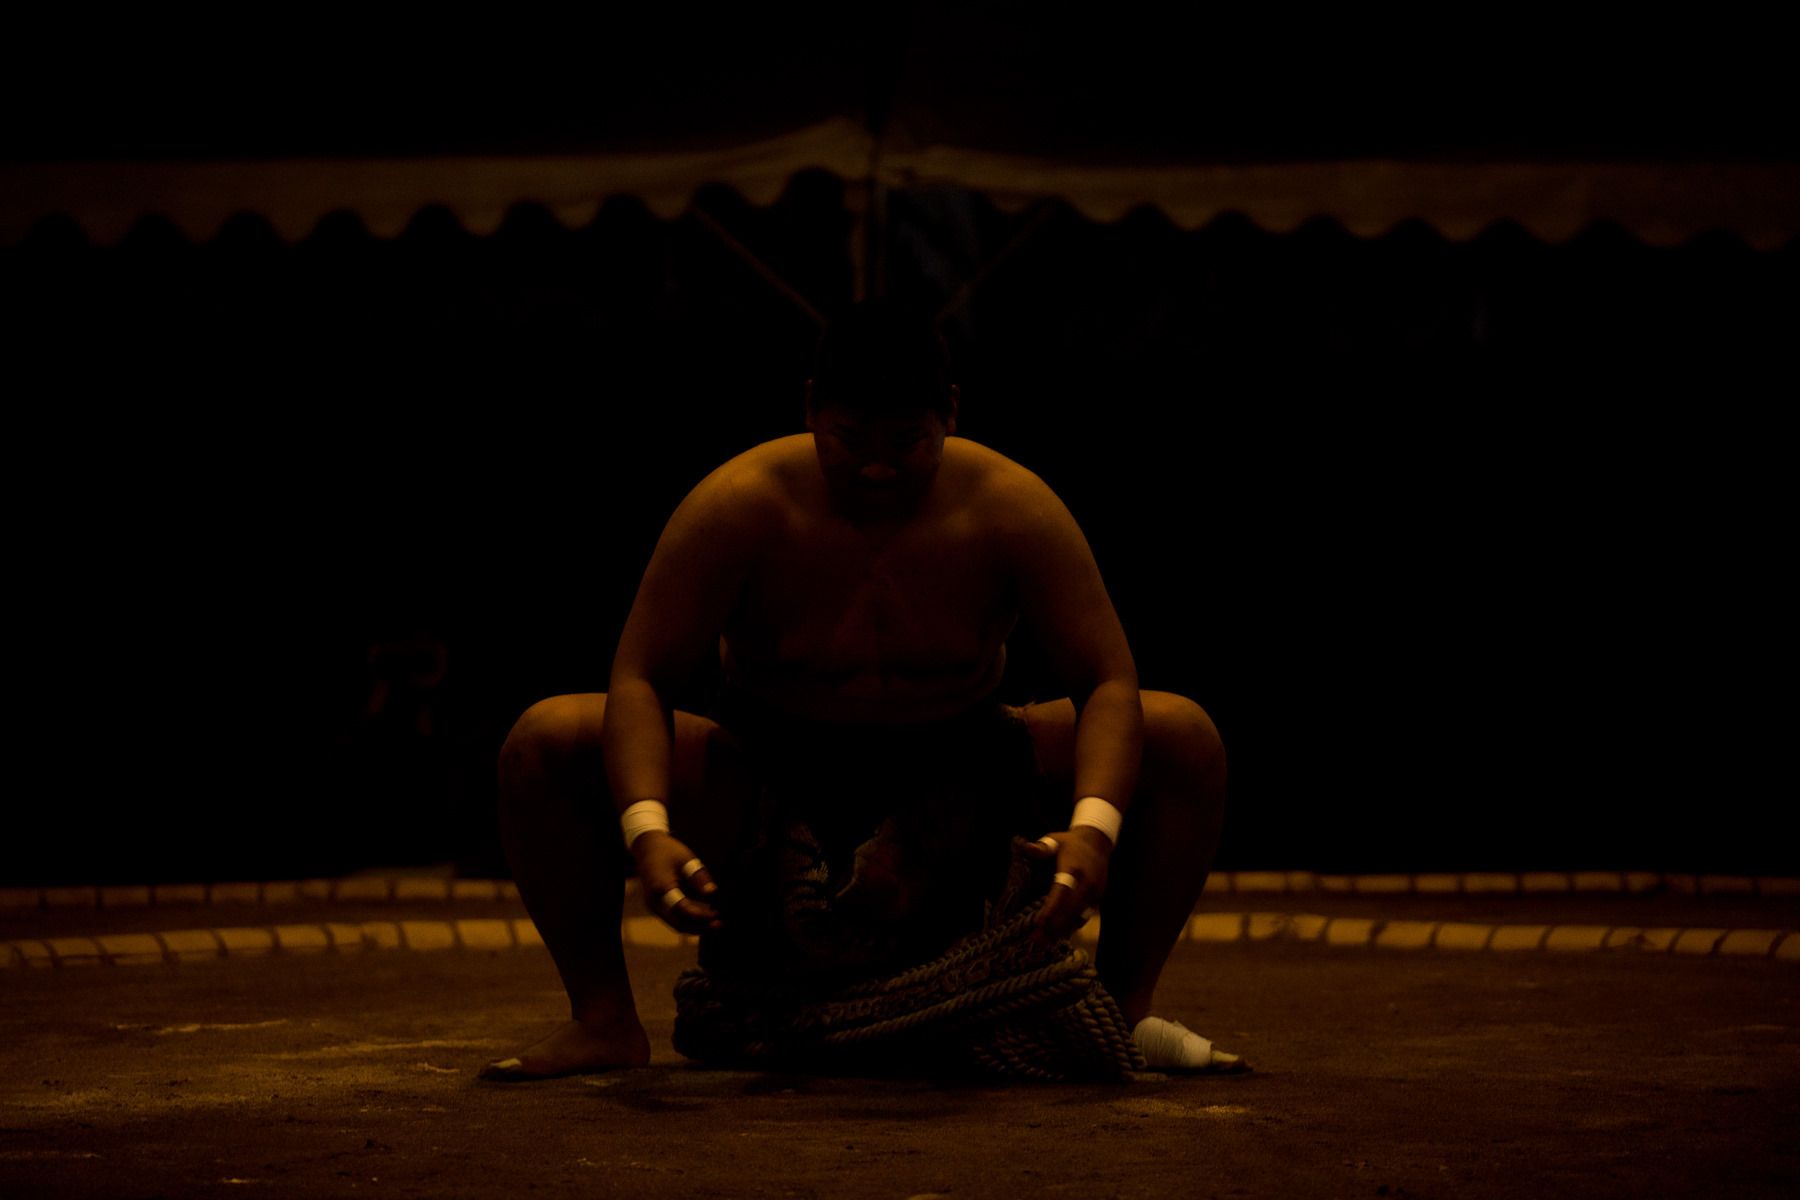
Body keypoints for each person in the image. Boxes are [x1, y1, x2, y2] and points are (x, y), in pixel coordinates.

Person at [482, 300, 1241, 1079]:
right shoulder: (741, 504)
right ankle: (604, 1020)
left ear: (950, 414)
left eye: (907, 443)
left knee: (1180, 733)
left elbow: (1107, 680)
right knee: (546, 738)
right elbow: (640, 677)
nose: (877, 469)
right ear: (811, 408)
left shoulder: (1010, 508)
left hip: (967, 770)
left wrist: (1095, 828)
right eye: (848, 440)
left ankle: (1121, 1011)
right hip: (768, 773)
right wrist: (647, 827)